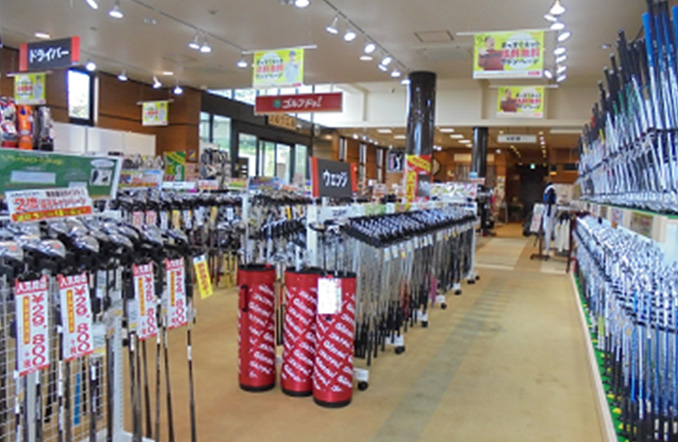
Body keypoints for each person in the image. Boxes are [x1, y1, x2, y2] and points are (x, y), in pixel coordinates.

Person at [542, 182, 557, 254]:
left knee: (547, 230)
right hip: (550, 210)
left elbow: (549, 201)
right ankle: (547, 247)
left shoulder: (550, 189)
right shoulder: (552, 189)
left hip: (549, 211)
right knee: (548, 230)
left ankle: (547, 248)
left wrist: (548, 212)